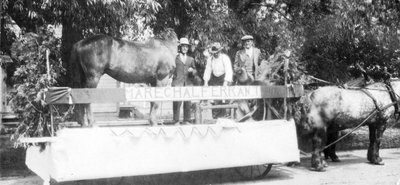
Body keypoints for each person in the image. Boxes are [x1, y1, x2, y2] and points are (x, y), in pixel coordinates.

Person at [203, 42, 233, 118]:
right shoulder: (210, 59)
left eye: (217, 52)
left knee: (224, 98)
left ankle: (224, 116)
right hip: (215, 79)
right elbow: (208, 70)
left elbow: (229, 70)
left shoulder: (224, 58)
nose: (215, 54)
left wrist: (225, 82)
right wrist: (206, 82)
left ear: (220, 51)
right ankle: (215, 117)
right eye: (214, 53)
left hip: (224, 79)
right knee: (215, 98)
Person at [172, 38, 197, 125]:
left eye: (186, 47)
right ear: (180, 47)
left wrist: (192, 71)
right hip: (177, 83)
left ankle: (186, 120)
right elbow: (171, 69)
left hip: (188, 83)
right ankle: (176, 120)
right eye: (183, 46)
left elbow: (195, 71)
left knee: (187, 102)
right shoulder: (175, 58)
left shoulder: (191, 59)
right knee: (177, 102)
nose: (185, 48)